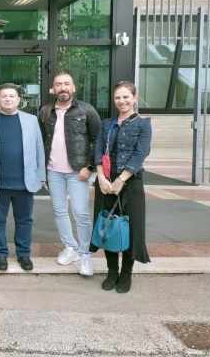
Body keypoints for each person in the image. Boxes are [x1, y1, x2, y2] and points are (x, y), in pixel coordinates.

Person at [91, 81, 152, 293]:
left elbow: (139, 154)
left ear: (135, 97)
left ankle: (126, 273)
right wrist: (101, 177)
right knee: (107, 225)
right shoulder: (106, 123)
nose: (121, 101)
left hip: (130, 182)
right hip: (106, 182)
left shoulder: (143, 125)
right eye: (118, 97)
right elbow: (99, 150)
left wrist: (121, 180)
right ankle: (112, 272)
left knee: (131, 229)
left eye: (126, 96)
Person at [38, 72, 101, 276]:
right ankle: (70, 247)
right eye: (58, 84)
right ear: (53, 89)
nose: (63, 88)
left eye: (66, 84)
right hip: (53, 171)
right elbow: (41, 141)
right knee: (59, 210)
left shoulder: (87, 110)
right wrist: (42, 170)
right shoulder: (45, 111)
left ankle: (85, 254)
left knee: (80, 212)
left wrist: (89, 166)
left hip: (78, 171)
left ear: (73, 87)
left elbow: (98, 141)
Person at [0, 83, 45, 271]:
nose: (8, 99)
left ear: (19, 100)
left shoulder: (31, 120)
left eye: (12, 96)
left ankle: (23, 254)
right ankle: (0, 254)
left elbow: (39, 149)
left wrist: (41, 175)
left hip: (25, 182)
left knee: (24, 220)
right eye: (4, 96)